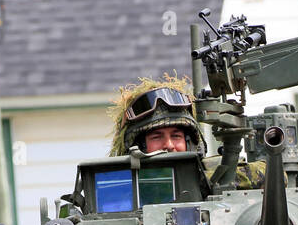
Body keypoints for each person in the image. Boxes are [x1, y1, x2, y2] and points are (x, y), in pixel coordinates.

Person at [110, 75, 268, 187]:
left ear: (190, 143)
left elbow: (271, 174)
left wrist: (202, 181)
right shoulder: (121, 185)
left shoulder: (207, 173)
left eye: (176, 136)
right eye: (156, 137)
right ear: (138, 145)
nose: (169, 145)